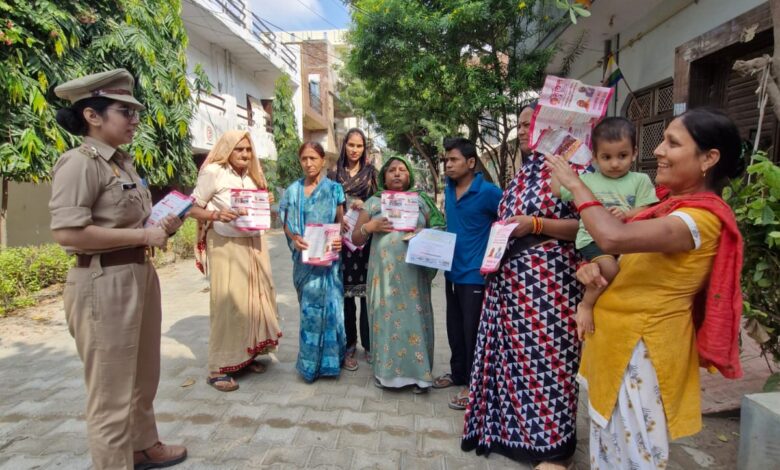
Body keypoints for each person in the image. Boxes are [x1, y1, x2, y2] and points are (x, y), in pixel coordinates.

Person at [547, 107, 745, 470]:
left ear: (708, 159)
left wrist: (576, 185)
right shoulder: (667, 208)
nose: (658, 150)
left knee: (638, 457)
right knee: (611, 450)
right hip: (620, 348)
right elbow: (628, 262)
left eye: (672, 142)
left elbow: (612, 236)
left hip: (643, 351)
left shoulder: (698, 219)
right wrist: (593, 270)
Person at [48, 69, 187, 469]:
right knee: (110, 391)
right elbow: (68, 233)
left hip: (138, 274)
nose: (135, 119)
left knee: (144, 375)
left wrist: (160, 226)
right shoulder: (79, 163)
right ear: (92, 115)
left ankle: (142, 446)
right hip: (102, 281)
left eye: (135, 111)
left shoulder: (122, 163)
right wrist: (144, 236)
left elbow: (126, 222)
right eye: (125, 111)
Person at [461, 101, 587, 470]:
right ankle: (514, 437)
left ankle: (553, 449)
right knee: (516, 363)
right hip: (511, 286)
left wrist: (535, 224)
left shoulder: (575, 169)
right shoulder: (523, 175)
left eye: (532, 124)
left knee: (550, 364)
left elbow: (589, 225)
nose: (524, 131)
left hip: (551, 288)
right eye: (520, 125)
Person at [188, 130, 282, 392]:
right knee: (227, 305)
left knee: (252, 302)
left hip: (252, 245)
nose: (245, 154)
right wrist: (216, 215)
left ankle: (245, 357)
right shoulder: (214, 172)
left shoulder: (252, 175)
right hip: (225, 245)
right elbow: (191, 208)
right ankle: (218, 368)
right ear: (227, 150)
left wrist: (266, 199)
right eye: (239, 149)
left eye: (248, 149)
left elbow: (256, 208)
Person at [551, 117, 658, 340]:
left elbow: (648, 209)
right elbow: (558, 192)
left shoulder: (640, 180)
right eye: (606, 157)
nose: (615, 164)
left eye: (622, 156)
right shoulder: (587, 180)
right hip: (592, 239)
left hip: (626, 240)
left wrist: (626, 214)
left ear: (635, 153)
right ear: (595, 157)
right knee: (609, 269)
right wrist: (557, 168)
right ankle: (586, 304)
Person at [351, 156, 445, 393]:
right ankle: (387, 375)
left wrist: (424, 233)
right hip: (383, 277)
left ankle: (420, 376)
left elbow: (440, 229)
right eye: (391, 169)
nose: (396, 173)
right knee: (386, 319)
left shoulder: (421, 201)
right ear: (384, 176)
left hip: (414, 277)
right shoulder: (374, 202)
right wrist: (369, 227)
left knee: (414, 319)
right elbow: (355, 238)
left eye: (402, 169)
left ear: (409, 175)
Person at [432, 138, 502, 411]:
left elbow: (507, 223)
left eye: (454, 160)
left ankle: (475, 386)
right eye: (446, 160)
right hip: (451, 272)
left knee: (473, 333)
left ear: (471, 162)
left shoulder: (489, 192)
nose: (448, 165)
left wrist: (493, 260)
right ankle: (458, 373)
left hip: (475, 275)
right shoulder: (449, 188)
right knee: (455, 329)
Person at [279, 142, 346, 382]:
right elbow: (285, 222)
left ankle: (331, 362)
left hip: (328, 264)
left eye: (313, 158)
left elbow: (340, 223)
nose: (308, 163)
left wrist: (338, 239)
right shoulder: (292, 191)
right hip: (305, 264)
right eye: (304, 159)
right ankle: (308, 365)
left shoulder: (335, 189)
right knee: (309, 313)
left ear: (323, 161)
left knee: (331, 311)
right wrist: (294, 238)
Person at [327, 128, 378, 369]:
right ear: (344, 145)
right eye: (351, 145)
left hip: (364, 240)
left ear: (364, 148)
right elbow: (326, 201)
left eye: (359, 146)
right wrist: (339, 214)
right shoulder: (333, 173)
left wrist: (364, 203)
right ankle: (349, 344)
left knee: (367, 297)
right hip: (341, 242)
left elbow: (379, 202)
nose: (355, 150)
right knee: (345, 297)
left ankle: (368, 344)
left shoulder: (371, 173)